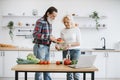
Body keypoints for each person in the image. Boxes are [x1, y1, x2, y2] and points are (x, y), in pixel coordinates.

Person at [33, 6, 58, 80]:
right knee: (39, 69)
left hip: (47, 47)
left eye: (55, 16)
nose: (54, 18)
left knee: (47, 67)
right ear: (48, 14)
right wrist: (48, 37)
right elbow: (35, 34)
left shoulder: (49, 22)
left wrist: (53, 39)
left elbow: (48, 36)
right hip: (40, 47)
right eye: (53, 16)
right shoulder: (40, 21)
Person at [56, 15, 81, 80]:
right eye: (64, 22)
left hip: (75, 51)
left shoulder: (76, 29)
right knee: (68, 71)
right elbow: (62, 42)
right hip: (65, 52)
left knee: (76, 70)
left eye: (67, 22)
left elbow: (78, 43)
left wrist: (69, 45)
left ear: (71, 21)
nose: (66, 24)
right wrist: (58, 46)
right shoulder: (62, 30)